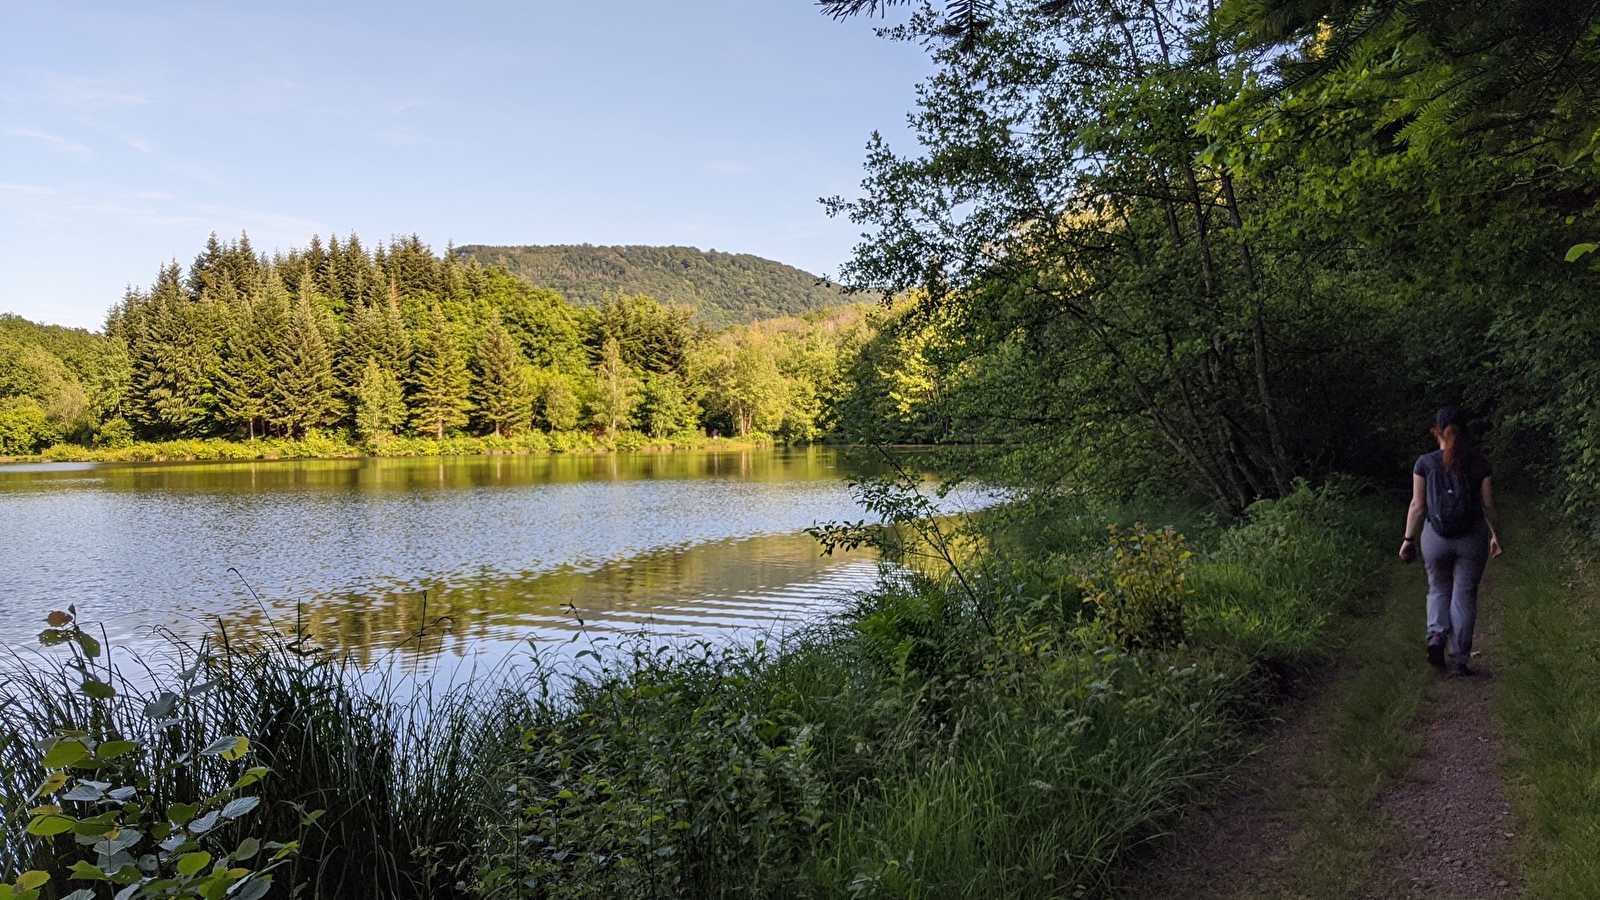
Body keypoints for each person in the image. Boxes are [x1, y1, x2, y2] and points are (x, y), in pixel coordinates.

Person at [1399, 407, 1503, 676]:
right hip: (1471, 539)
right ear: (1464, 432)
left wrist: (1408, 539)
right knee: (1464, 594)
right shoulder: (1480, 464)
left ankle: (1435, 636)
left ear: (1436, 431)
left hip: (1435, 538)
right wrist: (1495, 535)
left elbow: (1417, 505)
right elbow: (1487, 505)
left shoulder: (1424, 463)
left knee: (1437, 588)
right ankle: (1459, 659)